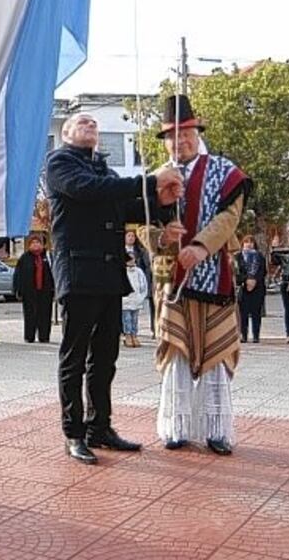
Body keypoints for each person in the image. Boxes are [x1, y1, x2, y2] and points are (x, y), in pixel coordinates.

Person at [46, 112, 181, 465]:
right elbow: (89, 192)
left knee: (105, 358)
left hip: (108, 275)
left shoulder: (103, 169)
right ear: (66, 133)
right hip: (78, 272)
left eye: (94, 124)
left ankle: (99, 427)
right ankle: (73, 433)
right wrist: (150, 181)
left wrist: (161, 201)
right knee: (74, 358)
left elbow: (124, 205)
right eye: (82, 122)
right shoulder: (60, 163)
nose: (90, 126)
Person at [144, 94, 252, 456]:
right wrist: (161, 237)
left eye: (186, 133)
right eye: (173, 136)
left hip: (213, 277)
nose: (180, 141)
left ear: (196, 133)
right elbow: (142, 228)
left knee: (215, 352)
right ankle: (175, 428)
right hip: (170, 282)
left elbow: (229, 217)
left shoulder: (224, 171)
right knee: (176, 350)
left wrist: (202, 246)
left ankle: (217, 430)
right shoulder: (155, 178)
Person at [12, 233, 55, 343]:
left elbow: (53, 273)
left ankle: (44, 336)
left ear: (42, 244)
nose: (35, 245)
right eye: (33, 242)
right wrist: (17, 290)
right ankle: (29, 336)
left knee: (45, 314)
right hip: (29, 291)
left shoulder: (48, 257)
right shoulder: (25, 258)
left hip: (45, 291)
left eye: (38, 242)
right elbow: (18, 275)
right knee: (30, 314)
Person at [234, 235, 267, 343]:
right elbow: (236, 272)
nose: (249, 244)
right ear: (242, 244)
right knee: (243, 313)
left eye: (251, 242)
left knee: (256, 313)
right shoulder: (238, 257)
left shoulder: (259, 256)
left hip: (257, 288)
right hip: (243, 288)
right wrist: (246, 280)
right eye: (246, 242)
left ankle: (256, 335)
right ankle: (244, 335)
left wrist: (254, 281)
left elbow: (263, 271)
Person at [125, 229, 155, 338]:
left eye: (133, 236)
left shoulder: (140, 251)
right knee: (127, 314)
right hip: (128, 284)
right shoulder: (122, 250)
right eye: (129, 236)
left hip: (141, 282)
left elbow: (144, 269)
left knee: (135, 314)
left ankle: (136, 333)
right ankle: (128, 333)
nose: (131, 238)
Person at [122, 256, 148, 349]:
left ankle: (134, 335)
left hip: (136, 300)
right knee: (127, 319)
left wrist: (141, 297)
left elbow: (144, 285)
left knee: (135, 319)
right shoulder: (123, 270)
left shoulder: (139, 272)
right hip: (125, 301)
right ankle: (128, 335)